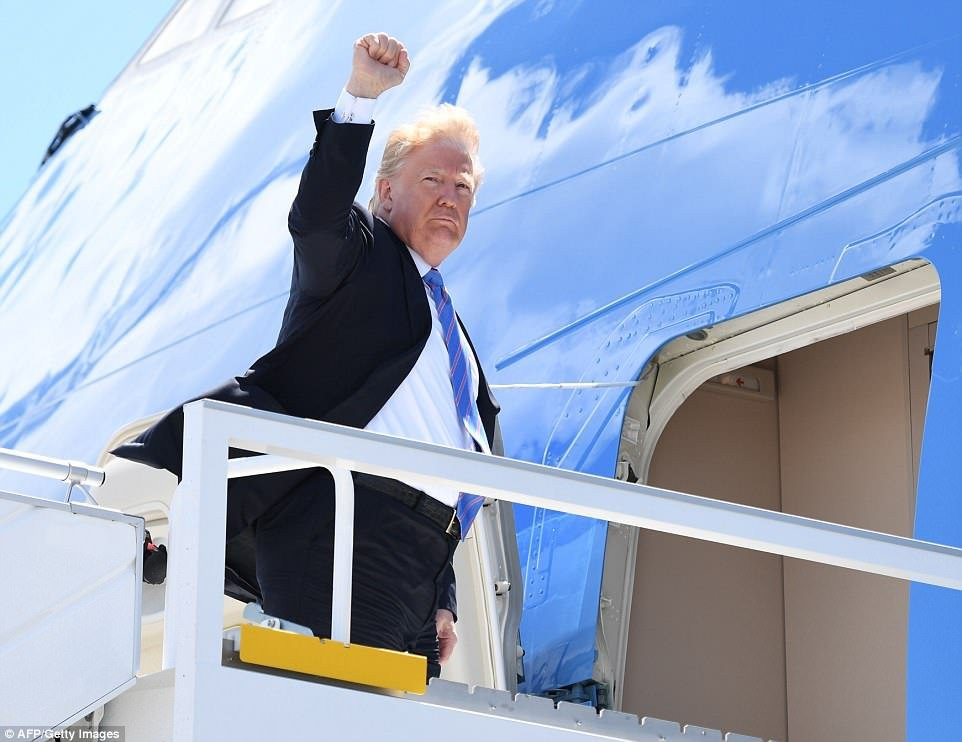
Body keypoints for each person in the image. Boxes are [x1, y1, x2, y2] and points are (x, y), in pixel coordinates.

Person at [111, 32, 500, 678]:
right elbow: (316, 217)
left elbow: (454, 454)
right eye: (432, 179)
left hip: (415, 568)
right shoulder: (361, 260)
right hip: (347, 535)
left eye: (464, 188)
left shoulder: (454, 334)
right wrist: (361, 101)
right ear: (383, 195)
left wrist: (443, 596)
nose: (450, 197)